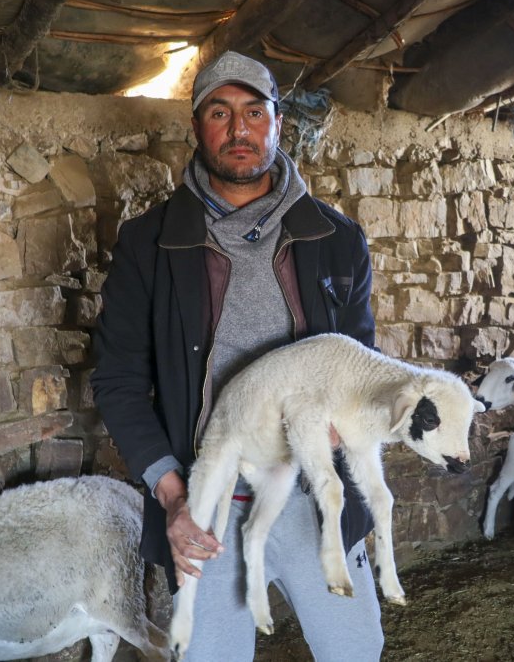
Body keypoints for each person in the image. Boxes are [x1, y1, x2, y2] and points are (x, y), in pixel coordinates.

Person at [91, 51, 384, 661]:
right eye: (219, 113)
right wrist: (174, 500)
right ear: (197, 127)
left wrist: (347, 424)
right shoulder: (148, 244)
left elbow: (361, 364)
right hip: (207, 509)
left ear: (279, 123)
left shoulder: (336, 240)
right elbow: (118, 381)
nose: (239, 129)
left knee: (354, 651)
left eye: (255, 111)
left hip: (313, 496)